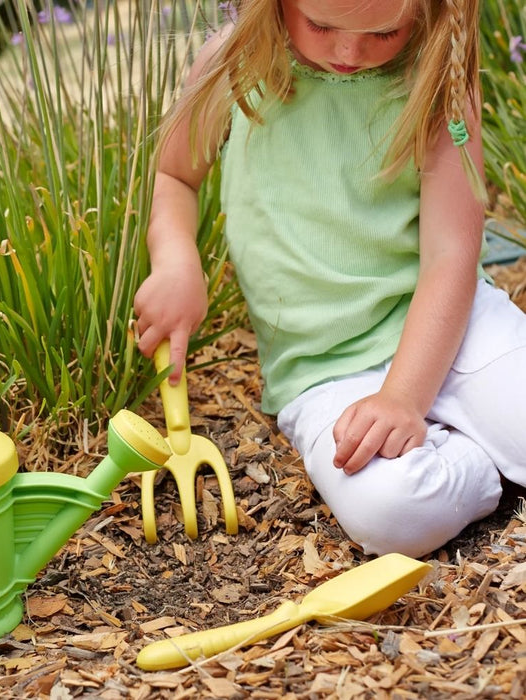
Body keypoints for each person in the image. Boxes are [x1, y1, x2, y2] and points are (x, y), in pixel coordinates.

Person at [133, 0, 526, 558]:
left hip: (453, 326)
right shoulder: (234, 65)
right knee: (390, 515)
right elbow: (176, 175)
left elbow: (451, 255)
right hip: (324, 369)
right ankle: (485, 458)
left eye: (384, 32)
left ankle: (470, 428)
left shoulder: (437, 76)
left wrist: (404, 398)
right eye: (320, 25)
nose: (348, 52)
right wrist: (175, 260)